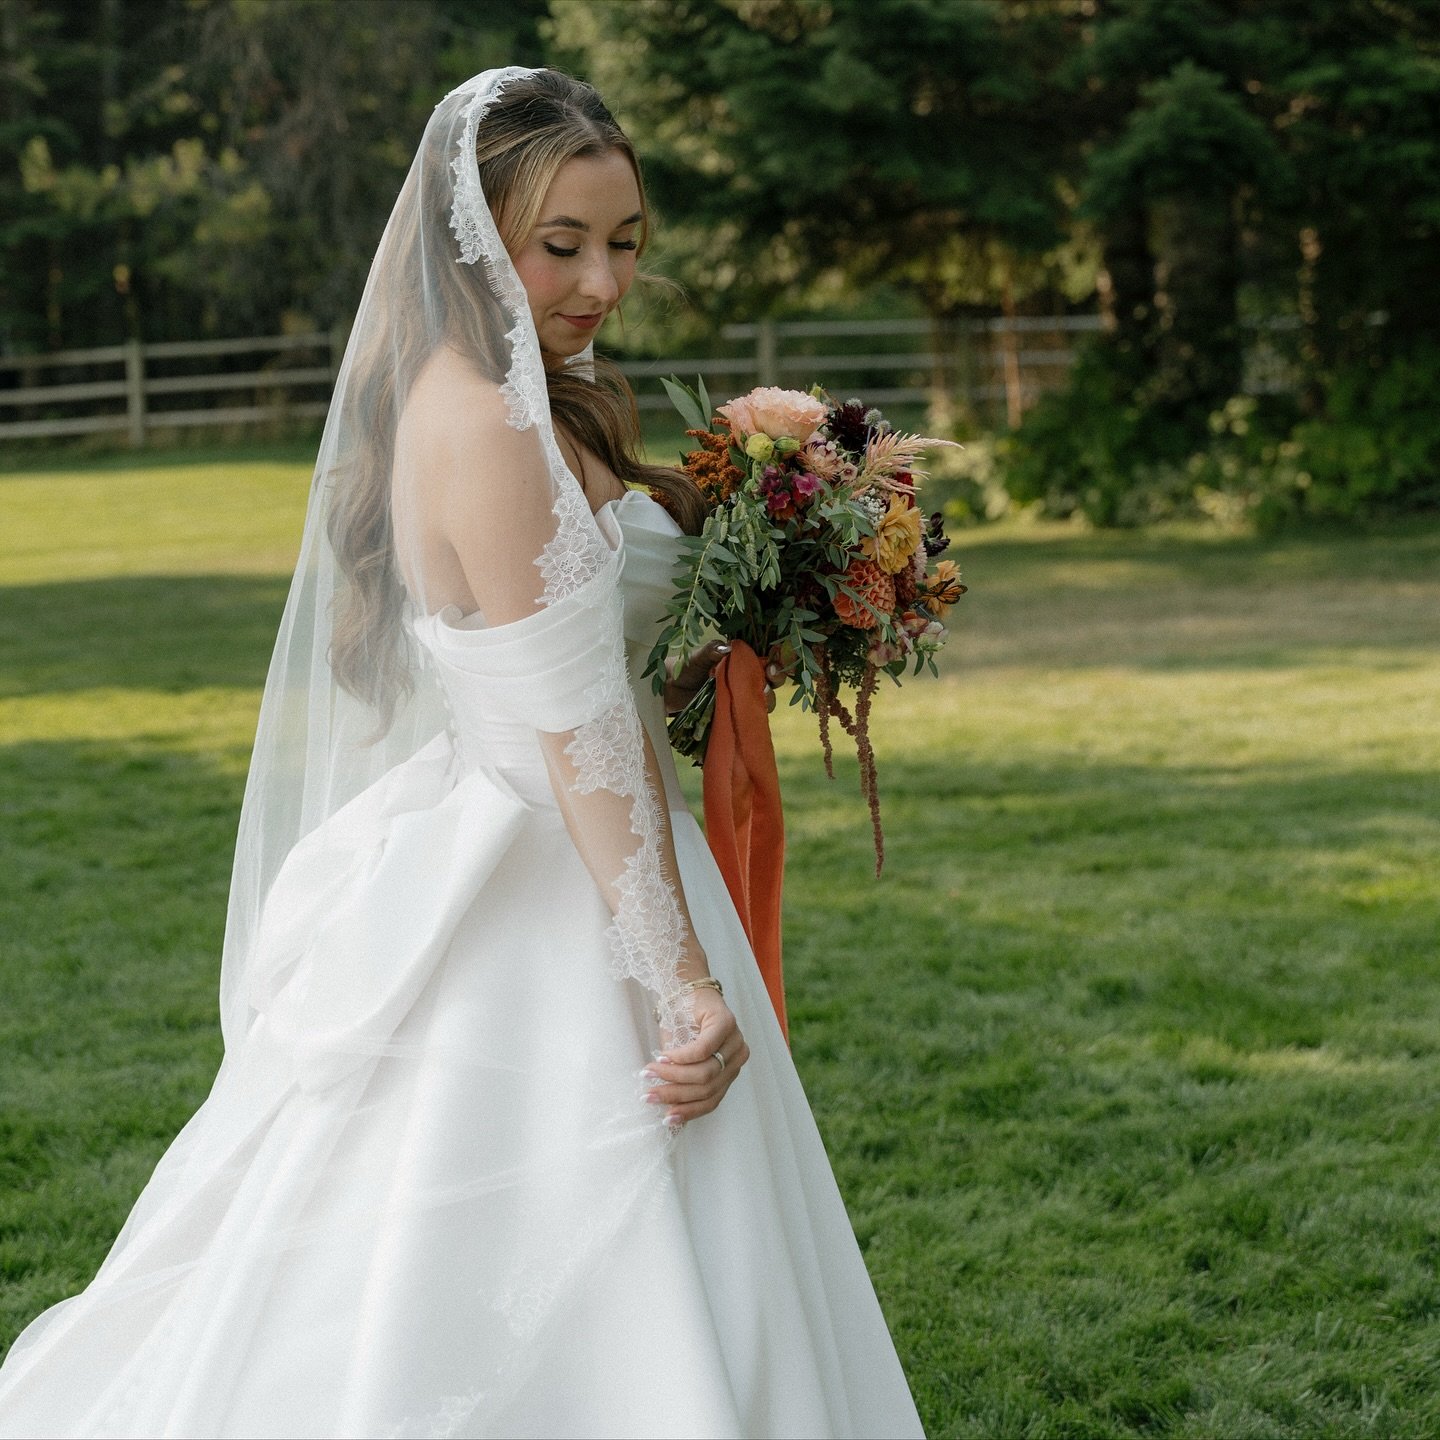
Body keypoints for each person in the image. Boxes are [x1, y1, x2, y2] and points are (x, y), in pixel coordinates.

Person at [0, 67, 925, 1439]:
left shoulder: (543, 389)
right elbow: (579, 730)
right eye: (563, 245)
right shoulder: (485, 416)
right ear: (474, 238)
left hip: (593, 831)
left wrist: (759, 588)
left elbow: (603, 654)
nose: (602, 282)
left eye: (626, 243)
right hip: (554, 864)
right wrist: (680, 982)